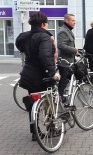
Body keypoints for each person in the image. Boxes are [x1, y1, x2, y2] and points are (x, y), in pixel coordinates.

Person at [15, 11, 60, 141]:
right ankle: (52, 129)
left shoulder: (24, 36)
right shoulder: (44, 36)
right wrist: (53, 74)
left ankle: (35, 132)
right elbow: (45, 56)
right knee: (49, 102)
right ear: (43, 24)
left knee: (34, 103)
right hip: (42, 75)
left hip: (28, 74)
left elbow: (20, 47)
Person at [57, 14, 79, 100]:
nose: (74, 22)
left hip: (70, 60)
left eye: (75, 20)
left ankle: (64, 97)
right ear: (67, 21)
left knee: (67, 80)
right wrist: (74, 51)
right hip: (64, 62)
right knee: (63, 81)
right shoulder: (63, 31)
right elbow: (61, 45)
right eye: (73, 21)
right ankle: (60, 99)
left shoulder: (68, 30)